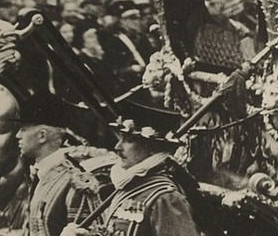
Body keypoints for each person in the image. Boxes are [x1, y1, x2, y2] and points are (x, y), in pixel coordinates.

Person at [61, 96, 201, 236]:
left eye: (128, 140)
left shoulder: (165, 198)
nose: (117, 147)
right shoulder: (128, 183)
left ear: (153, 147)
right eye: (120, 138)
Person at [9, 92, 101, 236]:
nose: (17, 135)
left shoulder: (75, 183)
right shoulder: (40, 175)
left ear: (42, 135)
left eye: (23, 128)